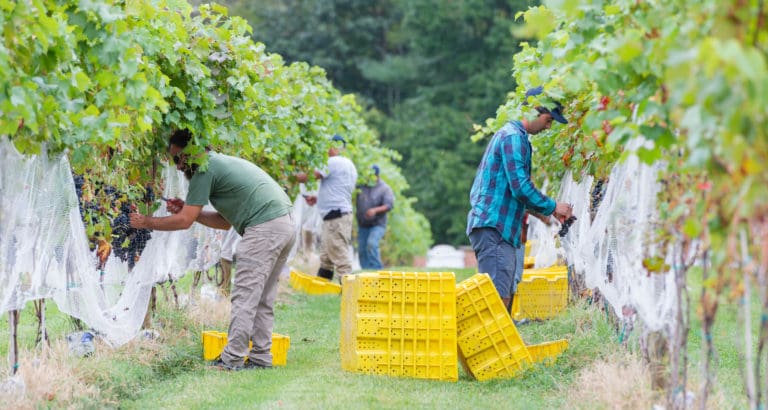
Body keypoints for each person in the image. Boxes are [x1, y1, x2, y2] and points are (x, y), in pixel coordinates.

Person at [129, 129, 295, 371]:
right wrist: (191, 211)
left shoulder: (204, 169)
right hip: (284, 223)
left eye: (178, 159)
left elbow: (184, 221)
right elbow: (225, 221)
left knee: (245, 295)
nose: (177, 167)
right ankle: (260, 357)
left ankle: (232, 359)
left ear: (192, 151)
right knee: (262, 297)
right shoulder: (215, 164)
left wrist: (146, 222)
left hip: (264, 228)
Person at [466, 86, 573, 313]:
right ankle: (488, 348)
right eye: (548, 119)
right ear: (535, 110)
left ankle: (500, 347)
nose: (548, 126)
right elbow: (521, 188)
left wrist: (546, 214)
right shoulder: (513, 138)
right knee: (495, 300)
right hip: (494, 227)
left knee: (502, 295)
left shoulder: (514, 137)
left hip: (498, 227)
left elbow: (513, 192)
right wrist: (554, 206)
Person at [297, 134, 357, 282]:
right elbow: (339, 190)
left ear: (332, 147)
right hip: (340, 214)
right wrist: (318, 199)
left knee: (338, 253)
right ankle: (322, 288)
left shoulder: (332, 162)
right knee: (326, 257)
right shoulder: (349, 165)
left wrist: (289, 177)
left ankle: (349, 291)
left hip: (335, 217)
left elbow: (311, 176)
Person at [355, 165, 394, 270]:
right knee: (362, 249)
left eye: (371, 176)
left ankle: (377, 269)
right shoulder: (361, 186)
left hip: (377, 224)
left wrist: (374, 210)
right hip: (362, 224)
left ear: (377, 176)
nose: (368, 179)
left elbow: (389, 205)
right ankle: (366, 270)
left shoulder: (384, 189)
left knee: (372, 244)